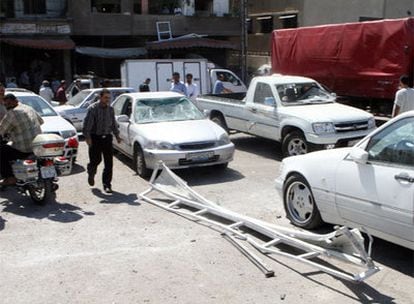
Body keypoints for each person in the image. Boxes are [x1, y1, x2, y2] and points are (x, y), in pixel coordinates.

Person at [83, 89, 121, 193]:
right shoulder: (93, 109)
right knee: (96, 160)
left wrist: (117, 136)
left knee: (109, 163)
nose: (107, 100)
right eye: (105, 97)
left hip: (107, 138)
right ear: (100, 97)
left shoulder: (110, 109)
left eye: (109, 98)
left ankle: (107, 184)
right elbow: (87, 125)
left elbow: (113, 123)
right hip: (95, 138)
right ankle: (91, 171)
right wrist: (88, 138)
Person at [0, 93, 43, 186]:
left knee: (1, 151)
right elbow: (41, 121)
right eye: (6, 105)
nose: (8, 106)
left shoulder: (12, 113)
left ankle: (10, 177)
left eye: (9, 103)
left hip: (24, 149)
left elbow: (1, 130)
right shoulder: (29, 108)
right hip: (38, 145)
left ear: (15, 101)